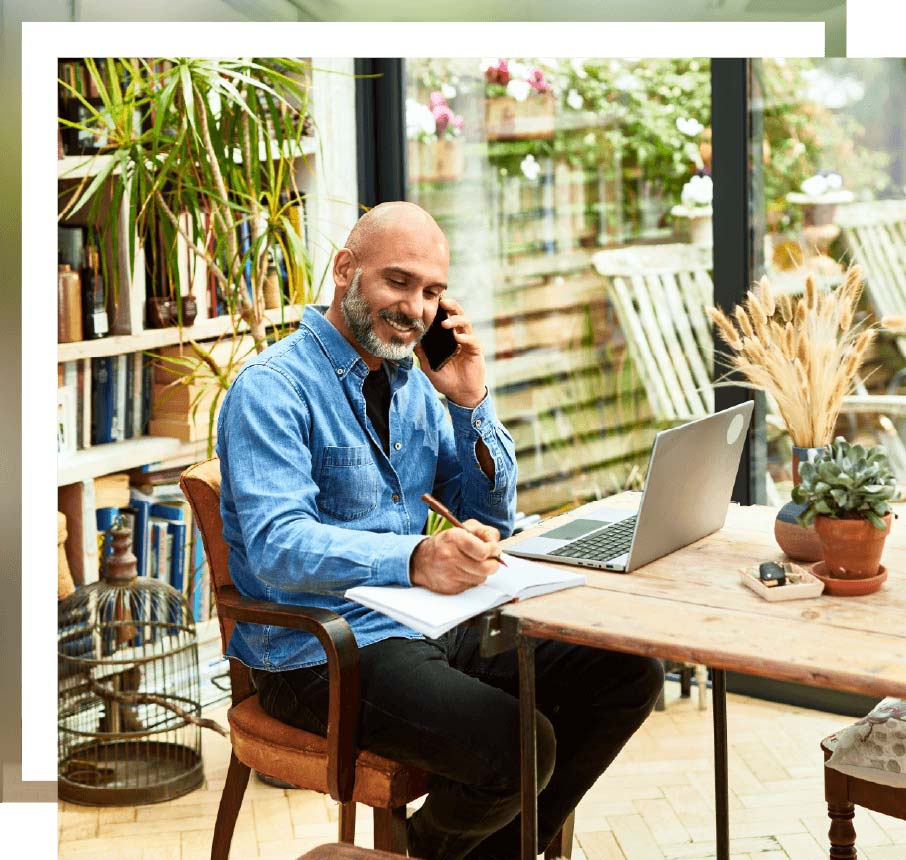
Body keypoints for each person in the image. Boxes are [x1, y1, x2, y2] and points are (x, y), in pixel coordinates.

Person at [217, 202, 663, 860]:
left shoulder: (416, 384)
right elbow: (278, 546)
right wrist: (416, 557)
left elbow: (490, 518)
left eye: (432, 292)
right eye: (398, 282)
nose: (417, 308)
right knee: (521, 745)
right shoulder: (273, 388)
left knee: (628, 674)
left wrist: (470, 403)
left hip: (423, 624)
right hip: (322, 652)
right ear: (345, 270)